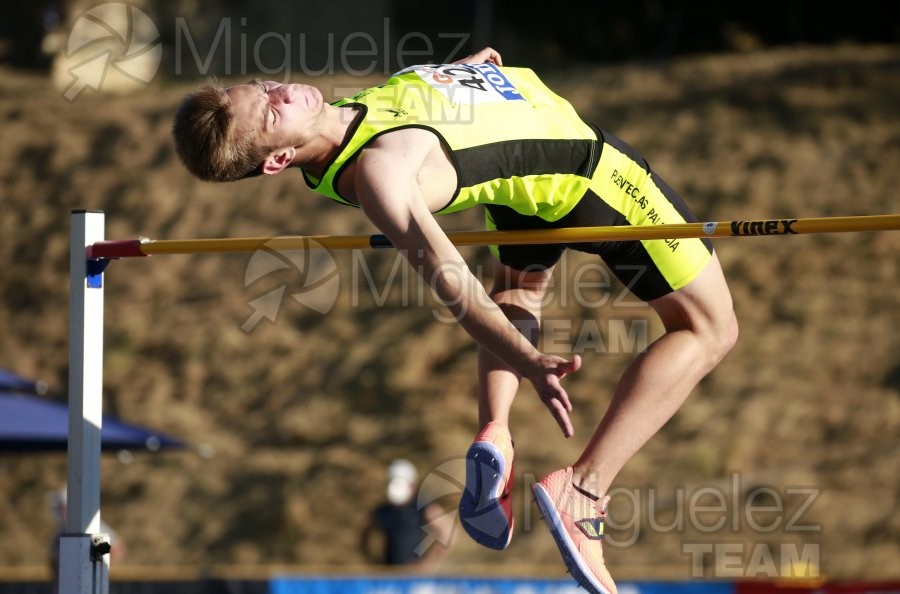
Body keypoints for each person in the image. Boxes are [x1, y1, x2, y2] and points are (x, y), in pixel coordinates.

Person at [171, 47, 739, 593]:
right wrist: (530, 361)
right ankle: (584, 491)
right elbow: (453, 284)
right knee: (710, 328)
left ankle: (496, 430)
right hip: (589, 175)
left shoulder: (355, 112)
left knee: (522, 285)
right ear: (277, 160)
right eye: (273, 110)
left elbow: (419, 109)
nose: (286, 92)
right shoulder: (379, 172)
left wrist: (463, 73)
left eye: (268, 86)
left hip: (525, 188)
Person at [360, 458, 452, 567]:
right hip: (390, 575)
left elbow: (447, 532)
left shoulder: (423, 508)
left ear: (412, 486)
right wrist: (374, 561)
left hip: (413, 578)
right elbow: (365, 534)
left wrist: (427, 564)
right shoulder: (383, 511)